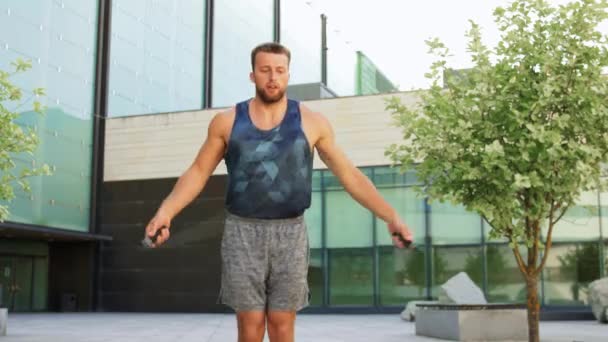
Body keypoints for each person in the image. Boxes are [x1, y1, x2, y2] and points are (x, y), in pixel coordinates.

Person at [144, 42, 413, 342]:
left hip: (291, 233)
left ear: (288, 74)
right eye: (265, 70)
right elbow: (197, 172)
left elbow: (349, 174)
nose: (273, 77)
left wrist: (391, 216)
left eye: (280, 71)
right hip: (242, 232)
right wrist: (165, 212)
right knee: (251, 325)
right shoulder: (227, 122)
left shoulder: (312, 122)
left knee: (282, 324)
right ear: (253, 75)